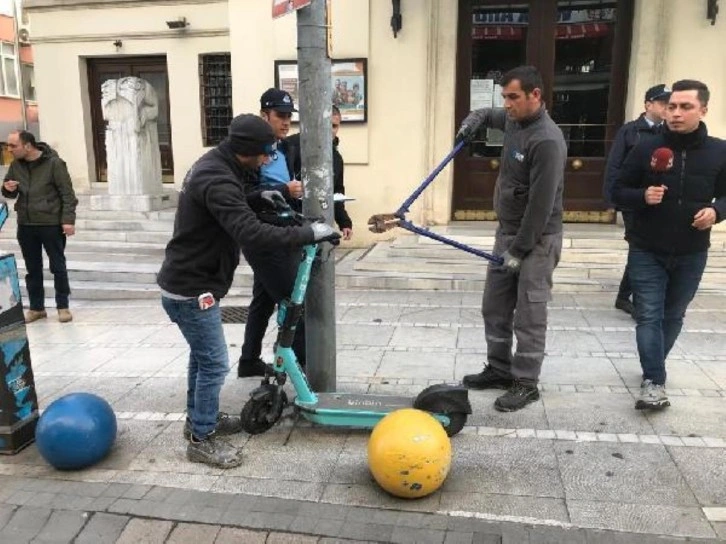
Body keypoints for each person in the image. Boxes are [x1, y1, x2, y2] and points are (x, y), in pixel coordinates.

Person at [157, 114, 339, 468]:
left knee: (202, 358)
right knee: (213, 364)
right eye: (264, 153)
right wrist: (309, 233)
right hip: (192, 287)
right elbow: (251, 233)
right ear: (245, 151)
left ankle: (199, 421)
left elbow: (233, 204)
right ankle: (201, 440)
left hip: (193, 279)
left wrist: (259, 196)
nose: (269, 158)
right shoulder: (217, 176)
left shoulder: (218, 165)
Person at [457, 65, 567, 412]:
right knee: (495, 306)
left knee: (529, 314)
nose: (506, 104)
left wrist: (518, 251)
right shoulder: (514, 122)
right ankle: (499, 369)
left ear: (536, 95)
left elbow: (541, 206)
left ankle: (525, 382)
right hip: (507, 234)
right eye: (504, 97)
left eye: (513, 97)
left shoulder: (546, 140)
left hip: (536, 240)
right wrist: (473, 119)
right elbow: (488, 114)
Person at [612, 79, 726, 411]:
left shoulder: (720, 151)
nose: (675, 113)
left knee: (673, 315)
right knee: (648, 315)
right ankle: (654, 382)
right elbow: (617, 190)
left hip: (692, 250)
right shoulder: (647, 147)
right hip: (647, 246)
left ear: (703, 110)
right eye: (672, 106)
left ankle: (653, 365)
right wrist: (642, 196)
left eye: (685, 107)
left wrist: (716, 211)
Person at [236, 89, 306, 378]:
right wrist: (283, 190)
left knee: (263, 299)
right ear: (265, 115)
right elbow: (245, 196)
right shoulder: (251, 152)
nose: (286, 122)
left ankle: (249, 360)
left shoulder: (286, 148)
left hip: (284, 226)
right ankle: (304, 369)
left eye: (289, 116)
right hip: (263, 233)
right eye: (280, 115)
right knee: (292, 303)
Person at [604, 84, 671, 317]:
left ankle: (626, 296)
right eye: (663, 103)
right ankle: (633, 298)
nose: (667, 109)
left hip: (659, 202)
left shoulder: (669, 133)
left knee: (646, 248)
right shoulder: (630, 131)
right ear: (648, 104)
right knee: (640, 247)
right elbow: (614, 166)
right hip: (633, 200)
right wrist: (613, 198)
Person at [1, 130, 77, 324]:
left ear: (27, 146)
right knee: (32, 268)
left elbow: (67, 194)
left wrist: (68, 220)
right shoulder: (16, 165)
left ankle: (63, 306)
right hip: (25, 224)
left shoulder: (54, 164)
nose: (9, 150)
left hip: (51, 223)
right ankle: (37, 308)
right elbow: (9, 192)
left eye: (13, 146)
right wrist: (7, 188)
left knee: (57, 266)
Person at [286, 105, 353, 240]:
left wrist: (344, 222)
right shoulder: (290, 146)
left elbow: (337, 192)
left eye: (334, 126)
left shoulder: (336, 158)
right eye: (326, 125)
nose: (330, 131)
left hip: (321, 222)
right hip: (289, 224)